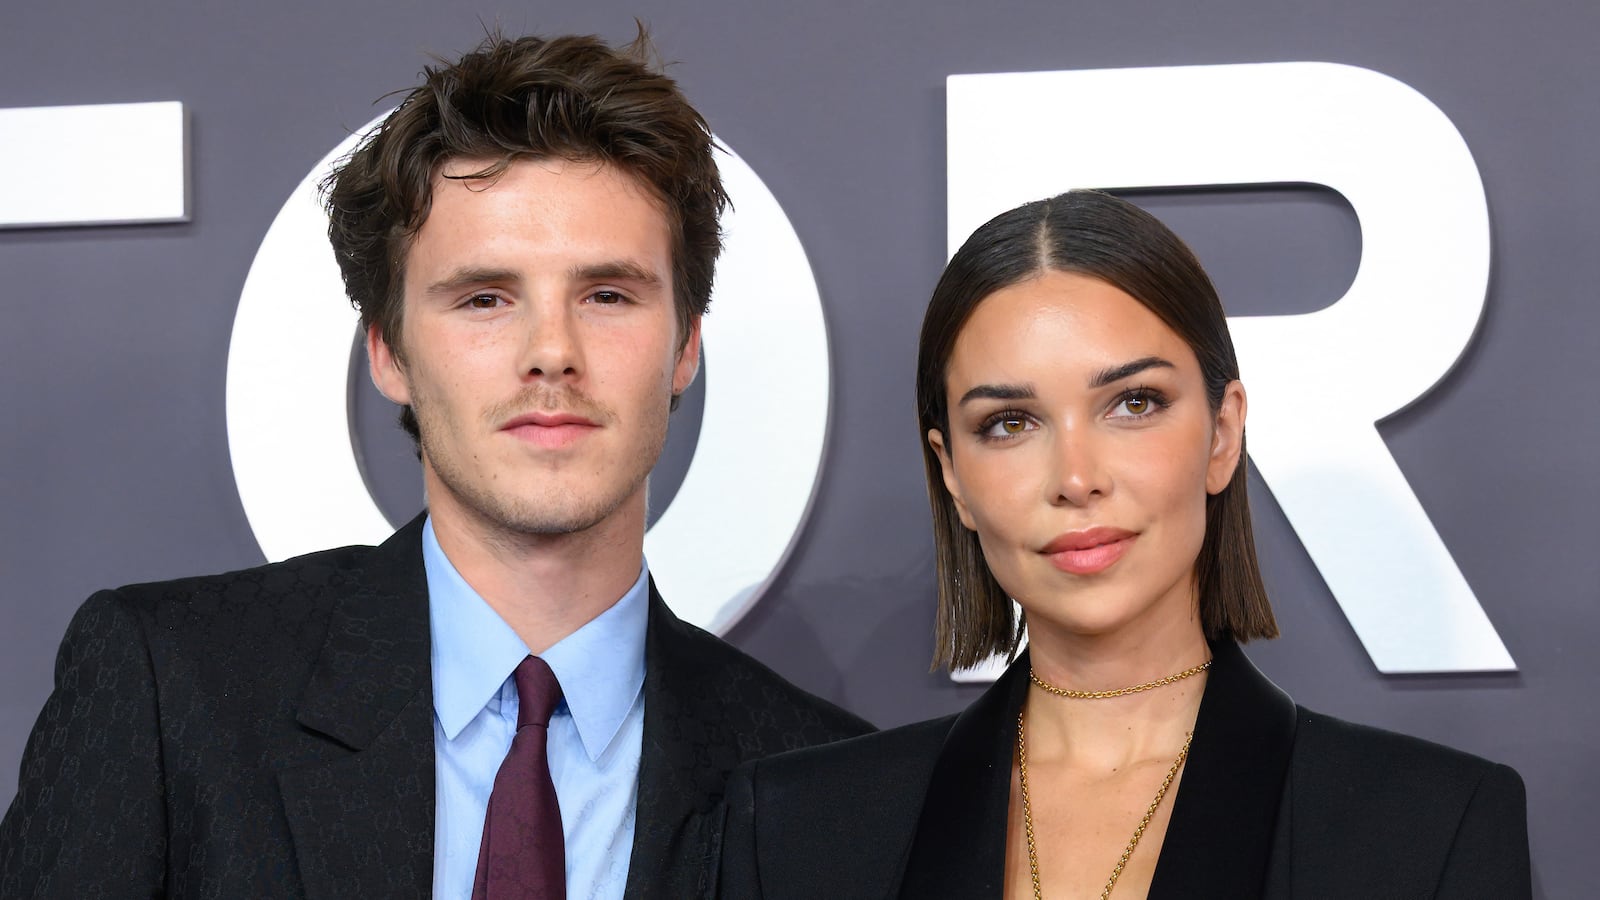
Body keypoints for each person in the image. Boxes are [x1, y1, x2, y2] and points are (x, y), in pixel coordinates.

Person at [0, 30, 870, 899]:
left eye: (607, 295)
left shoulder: (824, 782)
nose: (552, 352)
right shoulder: (172, 691)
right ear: (388, 353)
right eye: (485, 298)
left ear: (685, 347)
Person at [717, 191, 1529, 899]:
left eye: (1133, 404)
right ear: (953, 474)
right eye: (1010, 423)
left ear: (1222, 431)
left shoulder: (1432, 829)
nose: (1076, 476)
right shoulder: (797, 830)